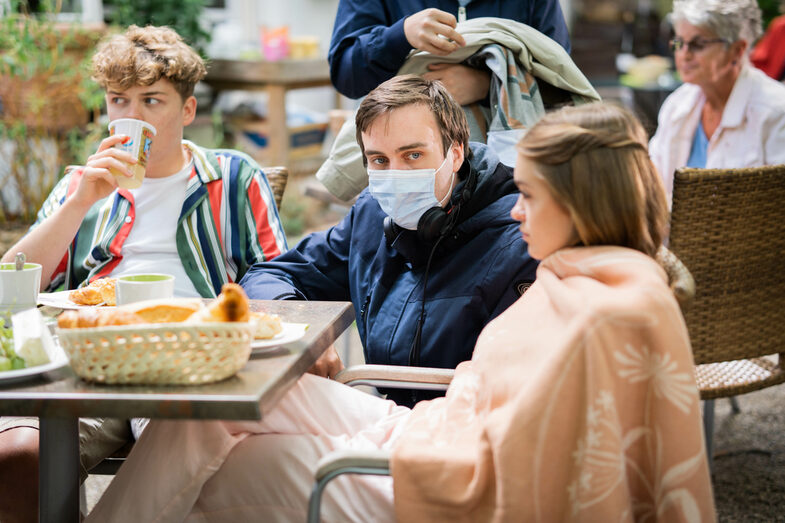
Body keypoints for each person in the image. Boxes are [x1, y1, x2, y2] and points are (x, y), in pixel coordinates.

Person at [86, 102, 715, 522]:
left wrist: (378, 444)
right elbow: (285, 270)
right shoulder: (579, 266)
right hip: (426, 425)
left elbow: (540, 469)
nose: (519, 208)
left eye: (531, 194)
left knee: (227, 469)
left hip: (443, 471)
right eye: (378, 160)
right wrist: (305, 335)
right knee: (208, 410)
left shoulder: (608, 309)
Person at [0, 25, 287, 523]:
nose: (131, 117)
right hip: (95, 361)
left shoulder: (234, 176)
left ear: (188, 110)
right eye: (119, 101)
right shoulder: (79, 185)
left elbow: (280, 279)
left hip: (191, 362)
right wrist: (79, 203)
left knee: (197, 450)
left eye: (152, 101)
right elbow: (12, 287)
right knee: (17, 456)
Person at [239, 75, 538, 407]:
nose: (396, 175)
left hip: (463, 422)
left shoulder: (521, 239)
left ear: (455, 154)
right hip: (383, 415)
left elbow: (516, 390)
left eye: (413, 155)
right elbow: (270, 276)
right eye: (380, 160)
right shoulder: (371, 213)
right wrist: (304, 333)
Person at [649, 0, 785, 201]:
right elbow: (652, 185)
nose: (684, 55)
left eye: (698, 44)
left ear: (737, 50)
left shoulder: (775, 112)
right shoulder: (676, 105)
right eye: (678, 43)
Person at [328, 0, 571, 100]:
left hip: (508, 165)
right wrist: (399, 36)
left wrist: (488, 86)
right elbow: (346, 77)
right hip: (405, 162)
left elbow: (564, 85)